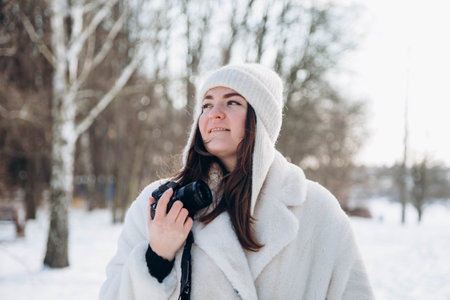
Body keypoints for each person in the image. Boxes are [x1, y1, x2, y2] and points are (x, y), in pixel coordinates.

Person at [100, 64, 374, 300]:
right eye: (206, 104)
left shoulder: (315, 208)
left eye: (232, 102)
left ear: (260, 119)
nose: (214, 113)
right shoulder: (161, 204)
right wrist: (157, 258)